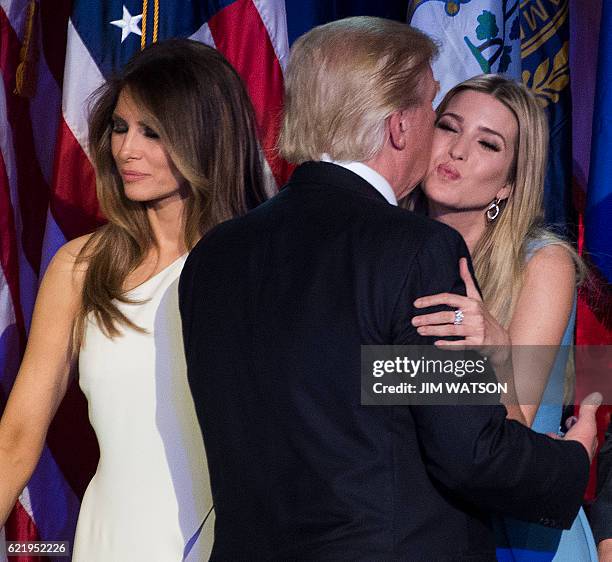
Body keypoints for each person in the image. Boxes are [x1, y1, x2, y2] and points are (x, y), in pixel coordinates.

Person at [179, 17, 599, 561]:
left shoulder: (214, 254)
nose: (450, 147)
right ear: (401, 126)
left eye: (487, 143)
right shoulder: (416, 253)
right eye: (437, 114)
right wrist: (575, 461)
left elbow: (350, 386)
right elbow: (467, 449)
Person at [0, 39, 266, 561]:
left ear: (206, 137)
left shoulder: (262, 261)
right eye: (121, 128)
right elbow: (18, 432)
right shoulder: (81, 267)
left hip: (229, 542)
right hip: (111, 541)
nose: (127, 150)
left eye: (153, 132)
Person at [411, 74, 597, 561]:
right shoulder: (391, 250)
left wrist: (493, 353)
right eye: (449, 127)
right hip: (426, 524)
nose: (457, 151)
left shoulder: (543, 263)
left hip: (521, 535)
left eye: (487, 143)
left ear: (509, 183)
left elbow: (512, 434)